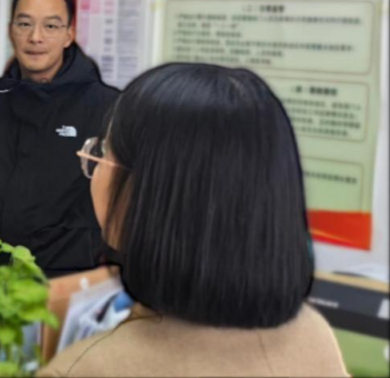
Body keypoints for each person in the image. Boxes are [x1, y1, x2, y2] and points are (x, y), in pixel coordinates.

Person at [40, 63, 346, 377]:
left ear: (149, 193)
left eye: (105, 150)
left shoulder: (90, 369)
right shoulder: (315, 335)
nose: (94, 164)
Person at [0, 0, 119, 273]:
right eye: (24, 24)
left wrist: (93, 255)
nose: (35, 37)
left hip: (69, 274)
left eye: (50, 26)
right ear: (10, 31)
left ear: (68, 35)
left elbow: (124, 195)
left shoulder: (106, 106)